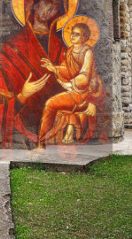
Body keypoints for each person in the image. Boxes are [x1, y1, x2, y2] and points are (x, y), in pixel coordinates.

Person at [0, 0, 77, 148]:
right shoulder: (10, 47)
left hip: (54, 116)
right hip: (21, 117)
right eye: (46, 2)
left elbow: (71, 75)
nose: (49, 10)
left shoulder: (61, 47)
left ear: (59, 12)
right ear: (34, 4)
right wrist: (23, 95)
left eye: (55, 6)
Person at [36, 16, 103, 146]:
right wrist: (54, 68)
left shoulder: (87, 52)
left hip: (84, 92)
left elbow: (84, 76)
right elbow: (66, 69)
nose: (72, 36)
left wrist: (70, 84)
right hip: (74, 90)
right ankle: (43, 140)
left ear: (84, 37)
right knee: (50, 103)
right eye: (72, 33)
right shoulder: (71, 50)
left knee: (50, 103)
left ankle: (42, 141)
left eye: (76, 35)